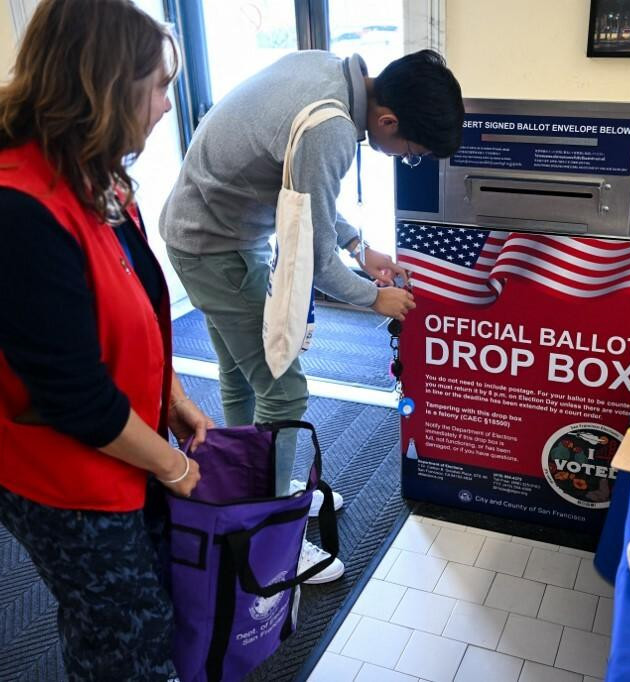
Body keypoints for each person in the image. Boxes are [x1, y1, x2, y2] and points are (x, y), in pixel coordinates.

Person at [0, 1, 212, 678]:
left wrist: (169, 395)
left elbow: (134, 309)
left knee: (143, 603)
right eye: (157, 86)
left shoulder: (94, 172)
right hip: (54, 465)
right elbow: (77, 400)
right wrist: (172, 466)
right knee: (124, 634)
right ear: (105, 88)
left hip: (114, 437)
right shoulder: (8, 211)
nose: (166, 105)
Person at [160, 49, 465, 582]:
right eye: (411, 152)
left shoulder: (327, 71)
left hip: (211, 232)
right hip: (214, 246)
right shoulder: (332, 128)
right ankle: (272, 532)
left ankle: (248, 489)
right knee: (284, 389)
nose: (404, 158)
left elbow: (301, 190)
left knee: (241, 373)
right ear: (388, 121)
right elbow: (315, 264)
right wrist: (375, 298)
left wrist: (357, 244)